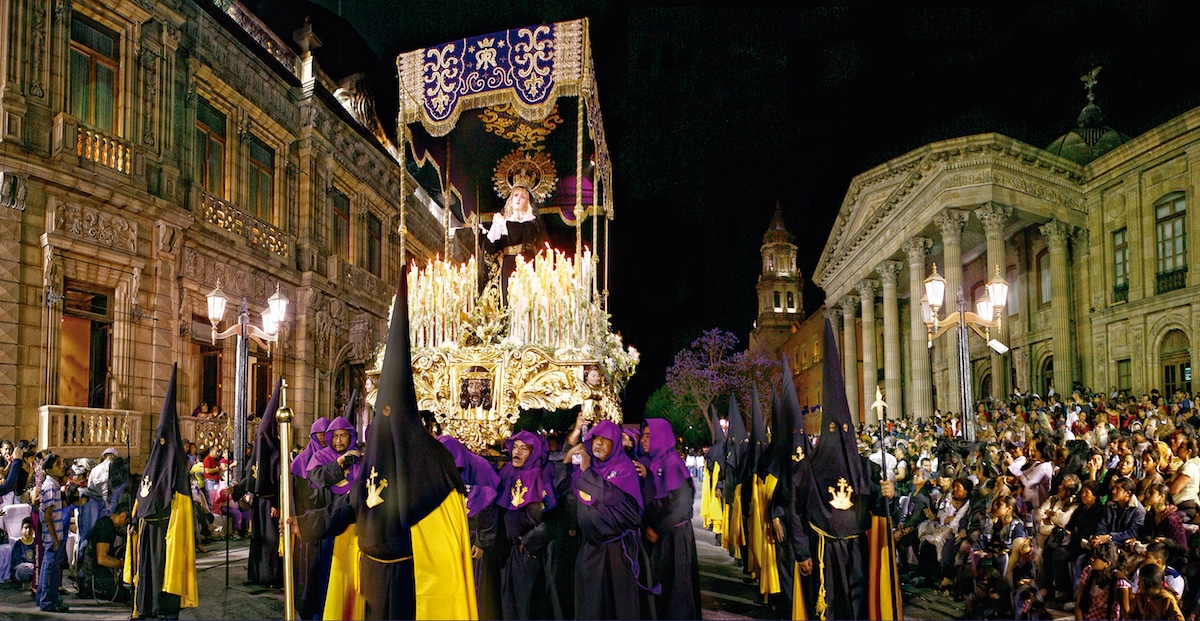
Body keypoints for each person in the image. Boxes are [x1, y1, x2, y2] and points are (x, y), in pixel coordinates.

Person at [125, 364, 198, 620]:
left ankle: (166, 611)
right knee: (147, 572)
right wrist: (134, 521)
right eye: (159, 440)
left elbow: (180, 502)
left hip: (169, 534)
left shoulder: (178, 467)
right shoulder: (152, 462)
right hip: (147, 532)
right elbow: (141, 496)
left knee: (166, 573)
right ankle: (145, 607)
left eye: (165, 441)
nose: (161, 445)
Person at [566, 420, 657, 619]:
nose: (598, 443)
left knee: (617, 609)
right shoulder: (587, 467)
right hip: (590, 550)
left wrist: (587, 473)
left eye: (605, 440)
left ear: (615, 443)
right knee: (591, 607)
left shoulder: (624, 469)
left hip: (617, 553)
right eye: (595, 438)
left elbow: (619, 504)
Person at [640, 418, 701, 620]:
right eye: (643, 435)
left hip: (674, 536)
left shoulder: (671, 462)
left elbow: (682, 504)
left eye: (649, 436)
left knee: (676, 590)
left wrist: (658, 529)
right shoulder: (659, 460)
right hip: (666, 533)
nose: (643, 440)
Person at [439, 435, 501, 620]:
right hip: (448, 538)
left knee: (475, 586)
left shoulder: (479, 468)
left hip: (475, 538)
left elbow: (489, 505)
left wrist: (483, 541)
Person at [495, 430, 555, 620]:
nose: (517, 452)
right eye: (515, 447)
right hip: (509, 552)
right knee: (509, 605)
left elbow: (551, 519)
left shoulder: (540, 476)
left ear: (534, 452)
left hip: (530, 554)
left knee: (527, 606)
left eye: (524, 448)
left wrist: (530, 541)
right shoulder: (507, 473)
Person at [484, 184, 548, 302]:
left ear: (527, 202)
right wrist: (497, 225)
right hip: (509, 263)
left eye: (522, 197)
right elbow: (491, 245)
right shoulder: (503, 222)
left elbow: (532, 240)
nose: (518, 199)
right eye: (516, 195)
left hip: (528, 262)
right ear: (511, 200)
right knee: (508, 295)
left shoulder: (532, 222)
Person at [76, 503, 130, 602]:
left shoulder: (107, 522)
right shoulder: (106, 528)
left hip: (92, 571)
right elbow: (102, 559)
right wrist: (122, 564)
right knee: (124, 595)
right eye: (126, 521)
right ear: (122, 516)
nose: (126, 524)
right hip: (93, 575)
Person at [36, 453, 68, 613]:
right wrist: (55, 538)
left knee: (49, 567)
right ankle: (48, 601)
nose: (62, 466)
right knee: (51, 569)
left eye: (61, 462)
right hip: (52, 536)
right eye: (57, 464)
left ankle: (45, 598)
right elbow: (48, 516)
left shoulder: (54, 484)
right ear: (48, 470)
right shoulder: (50, 486)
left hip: (56, 534)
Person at [10, 517, 35, 586]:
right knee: (24, 572)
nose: (28, 530)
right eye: (25, 528)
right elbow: (15, 565)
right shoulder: (18, 544)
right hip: (23, 569)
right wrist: (28, 565)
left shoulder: (36, 542)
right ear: (21, 530)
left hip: (35, 568)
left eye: (30, 528)